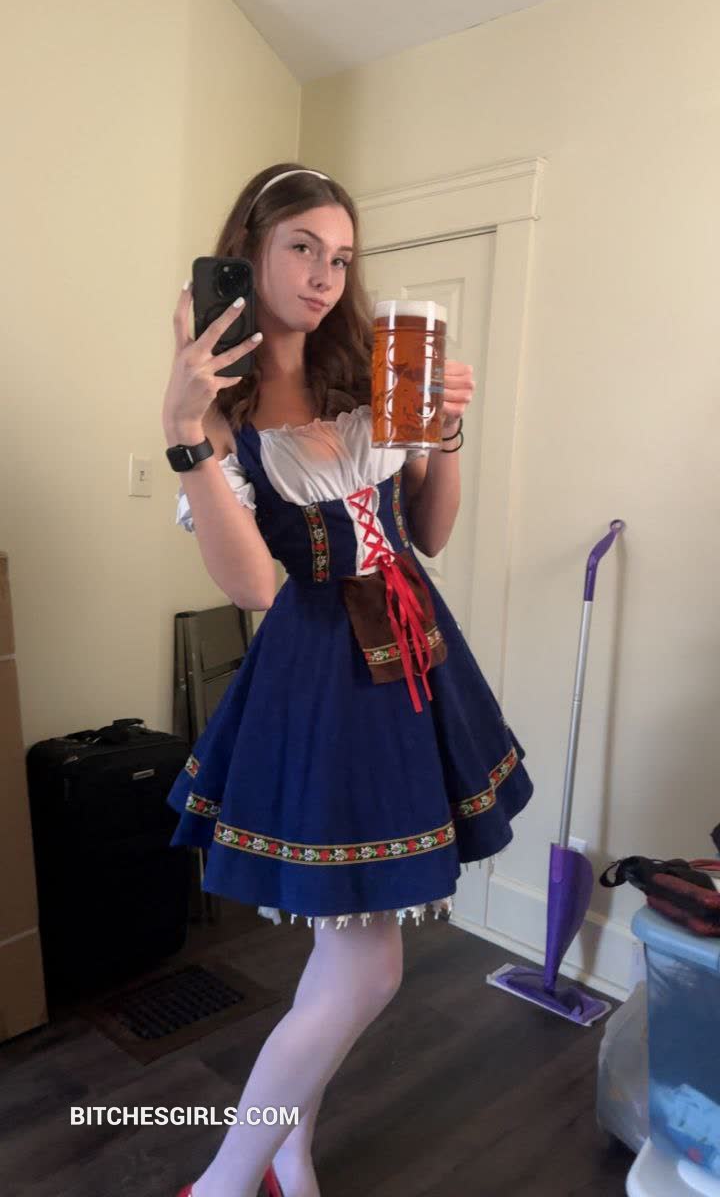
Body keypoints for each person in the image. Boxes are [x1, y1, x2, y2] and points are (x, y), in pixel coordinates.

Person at [162, 163, 534, 1197]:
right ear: (249, 250)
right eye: (301, 248)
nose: (325, 275)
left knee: (344, 958)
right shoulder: (221, 409)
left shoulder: (368, 371)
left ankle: (287, 1149)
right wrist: (185, 432)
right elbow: (252, 584)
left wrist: (446, 433)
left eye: (341, 256)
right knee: (369, 964)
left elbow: (430, 532)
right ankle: (223, 1181)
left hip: (413, 653)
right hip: (324, 674)